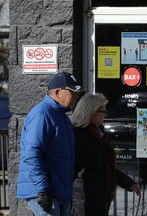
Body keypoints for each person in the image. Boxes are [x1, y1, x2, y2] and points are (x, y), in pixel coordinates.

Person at [16, 71, 84, 216]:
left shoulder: (61, 115)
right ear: (58, 92)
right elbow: (31, 154)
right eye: (73, 92)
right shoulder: (42, 114)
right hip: (46, 192)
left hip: (59, 191)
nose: (76, 96)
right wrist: (43, 189)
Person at [70, 93, 141, 216]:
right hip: (83, 199)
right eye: (103, 111)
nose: (106, 115)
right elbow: (70, 169)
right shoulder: (77, 135)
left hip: (99, 198)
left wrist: (128, 183)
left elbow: (105, 166)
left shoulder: (98, 134)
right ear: (92, 112)